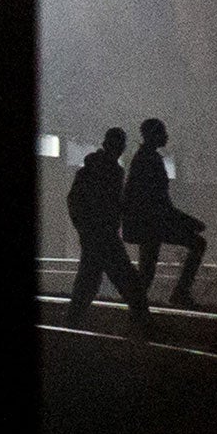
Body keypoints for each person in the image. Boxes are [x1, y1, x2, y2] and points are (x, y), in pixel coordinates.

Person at [66, 128, 151, 331]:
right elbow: (113, 204)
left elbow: (74, 201)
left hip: (94, 235)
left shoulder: (89, 170)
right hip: (105, 235)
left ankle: (72, 323)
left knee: (88, 280)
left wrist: (83, 229)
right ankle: (144, 322)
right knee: (126, 279)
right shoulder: (114, 172)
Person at [122, 117, 207, 309]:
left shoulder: (143, 158)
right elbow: (160, 203)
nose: (166, 136)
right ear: (154, 135)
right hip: (152, 224)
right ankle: (179, 292)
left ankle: (136, 305)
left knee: (147, 269)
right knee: (197, 244)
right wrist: (189, 221)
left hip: (146, 224)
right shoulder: (150, 160)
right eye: (162, 132)